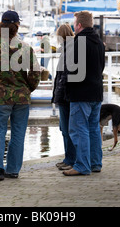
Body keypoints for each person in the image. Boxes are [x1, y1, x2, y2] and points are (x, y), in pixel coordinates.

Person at [0, 10, 41, 180]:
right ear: (17, 26)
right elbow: (35, 73)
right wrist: (27, 89)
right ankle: (12, 170)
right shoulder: (25, 47)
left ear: (0, 25)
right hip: (21, 98)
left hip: (0, 97)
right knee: (18, 133)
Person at [63, 11, 105, 176]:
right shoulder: (99, 43)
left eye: (75, 23)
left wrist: (68, 90)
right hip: (96, 92)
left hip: (81, 93)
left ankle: (82, 165)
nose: (74, 26)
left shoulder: (78, 42)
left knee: (79, 129)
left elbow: (71, 71)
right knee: (93, 128)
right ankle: (95, 163)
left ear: (79, 25)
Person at [51, 24, 76, 171]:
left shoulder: (68, 50)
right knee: (66, 129)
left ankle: (70, 159)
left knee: (66, 129)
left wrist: (58, 94)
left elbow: (64, 76)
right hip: (67, 95)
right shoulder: (70, 48)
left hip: (65, 96)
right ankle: (69, 158)